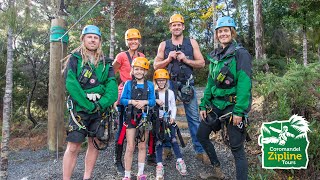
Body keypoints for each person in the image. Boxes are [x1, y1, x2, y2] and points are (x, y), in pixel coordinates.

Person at [197, 16, 252, 180]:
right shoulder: (215, 56)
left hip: (232, 107)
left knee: (236, 148)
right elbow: (210, 83)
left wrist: (239, 111)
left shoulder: (240, 54)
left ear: (232, 32)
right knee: (201, 135)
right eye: (220, 31)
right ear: (216, 34)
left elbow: (244, 83)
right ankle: (216, 166)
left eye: (226, 31)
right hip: (215, 105)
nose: (223, 34)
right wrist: (203, 104)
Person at [62, 25, 118, 180]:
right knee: (73, 147)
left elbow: (112, 88)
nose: (93, 40)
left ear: (99, 41)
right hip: (79, 111)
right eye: (89, 37)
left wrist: (100, 104)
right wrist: (89, 103)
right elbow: (71, 84)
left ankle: (87, 177)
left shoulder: (106, 62)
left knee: (95, 144)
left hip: (99, 110)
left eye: (96, 37)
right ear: (83, 39)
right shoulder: (74, 59)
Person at [153, 14, 207, 163]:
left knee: (194, 117)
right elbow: (155, 66)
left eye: (179, 24)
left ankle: (200, 150)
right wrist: (168, 59)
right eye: (173, 25)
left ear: (183, 27)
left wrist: (185, 59)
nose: (176, 27)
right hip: (169, 84)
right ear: (170, 27)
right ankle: (167, 147)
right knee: (165, 116)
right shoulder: (164, 45)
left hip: (187, 84)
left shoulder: (192, 42)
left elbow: (202, 63)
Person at [112, 28, 145, 175]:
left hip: (139, 92)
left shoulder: (142, 56)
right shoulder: (121, 56)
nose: (133, 42)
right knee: (122, 128)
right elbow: (111, 74)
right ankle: (117, 160)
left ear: (139, 41)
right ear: (127, 41)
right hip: (124, 91)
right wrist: (114, 95)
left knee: (138, 124)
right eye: (130, 39)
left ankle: (138, 158)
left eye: (135, 39)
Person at [120, 57, 156, 180]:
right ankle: (127, 174)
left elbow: (152, 101)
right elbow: (122, 100)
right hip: (131, 117)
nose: (139, 71)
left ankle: (140, 173)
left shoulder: (150, 85)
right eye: (136, 69)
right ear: (133, 70)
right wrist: (133, 102)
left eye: (141, 69)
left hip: (145, 117)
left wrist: (144, 102)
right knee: (130, 146)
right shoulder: (128, 84)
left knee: (142, 145)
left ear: (145, 71)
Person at [153, 69, 187, 180]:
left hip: (168, 120)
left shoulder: (170, 93)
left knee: (173, 139)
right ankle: (159, 165)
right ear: (156, 81)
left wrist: (173, 117)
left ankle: (179, 160)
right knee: (158, 142)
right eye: (159, 80)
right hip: (157, 122)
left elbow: (173, 106)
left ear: (166, 81)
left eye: (163, 80)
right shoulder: (153, 93)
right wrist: (155, 100)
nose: (161, 82)